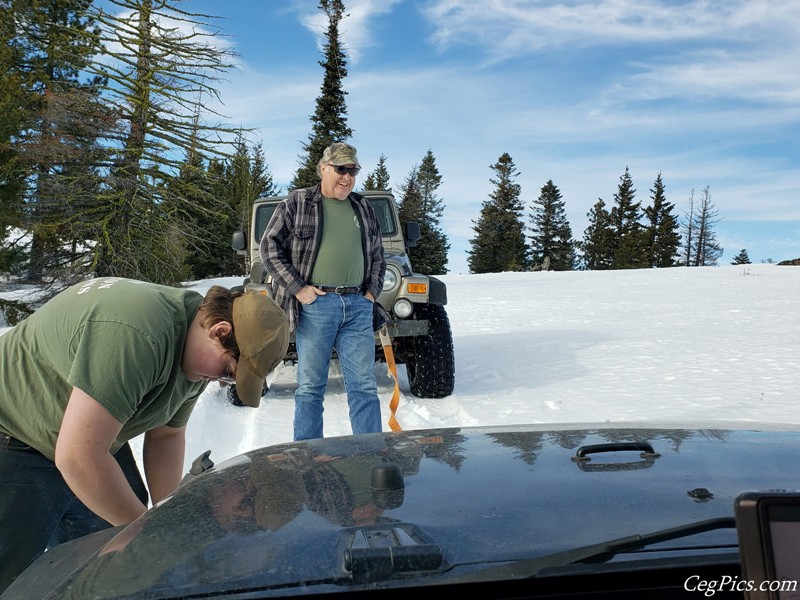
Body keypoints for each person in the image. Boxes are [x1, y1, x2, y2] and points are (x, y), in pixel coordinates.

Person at [0, 277, 289, 592]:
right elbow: (78, 457)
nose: (222, 382)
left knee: (116, 559)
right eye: (229, 373)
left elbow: (167, 437)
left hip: (84, 438)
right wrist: (143, 532)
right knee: (13, 573)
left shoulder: (195, 351)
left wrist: (164, 517)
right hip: (14, 430)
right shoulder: (139, 336)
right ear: (219, 330)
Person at [260, 142, 386, 441]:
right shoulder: (298, 202)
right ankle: (308, 459)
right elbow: (269, 247)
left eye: (352, 170)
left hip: (358, 305)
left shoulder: (363, 206)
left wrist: (371, 293)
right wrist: (300, 289)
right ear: (323, 169)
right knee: (310, 388)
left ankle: (371, 456)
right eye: (340, 169)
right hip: (318, 306)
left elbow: (379, 254)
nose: (347, 177)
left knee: (365, 387)